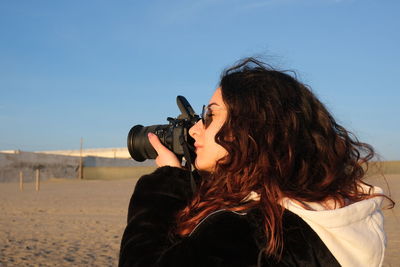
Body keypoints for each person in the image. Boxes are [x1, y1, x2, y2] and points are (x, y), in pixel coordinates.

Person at [119, 58, 393, 267]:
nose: (194, 130)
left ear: (250, 130)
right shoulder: (343, 217)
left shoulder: (248, 233)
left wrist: (165, 181)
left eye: (211, 116)